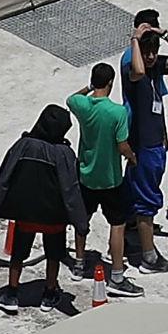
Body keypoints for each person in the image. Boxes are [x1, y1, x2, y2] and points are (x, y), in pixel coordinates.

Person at [0, 104, 89, 314]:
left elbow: (4, 176)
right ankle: (49, 293)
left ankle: (12, 293)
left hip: (26, 214)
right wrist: (81, 222)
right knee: (54, 255)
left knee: (18, 254)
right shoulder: (64, 153)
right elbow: (71, 189)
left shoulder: (23, 145)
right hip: (54, 218)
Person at [120, 11, 168, 273]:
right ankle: (148, 256)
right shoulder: (133, 64)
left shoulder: (153, 64)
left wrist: (165, 35)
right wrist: (136, 40)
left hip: (154, 141)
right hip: (142, 143)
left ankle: (131, 231)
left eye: (154, 51)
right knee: (147, 199)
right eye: (147, 52)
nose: (151, 57)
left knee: (138, 191)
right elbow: (138, 69)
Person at [68, 63, 142, 298]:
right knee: (117, 225)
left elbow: (71, 98)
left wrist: (89, 87)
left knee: (83, 221)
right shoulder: (117, 112)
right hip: (110, 179)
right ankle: (117, 275)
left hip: (86, 175)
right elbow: (122, 145)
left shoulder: (83, 105)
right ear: (111, 82)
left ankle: (79, 265)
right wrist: (131, 157)